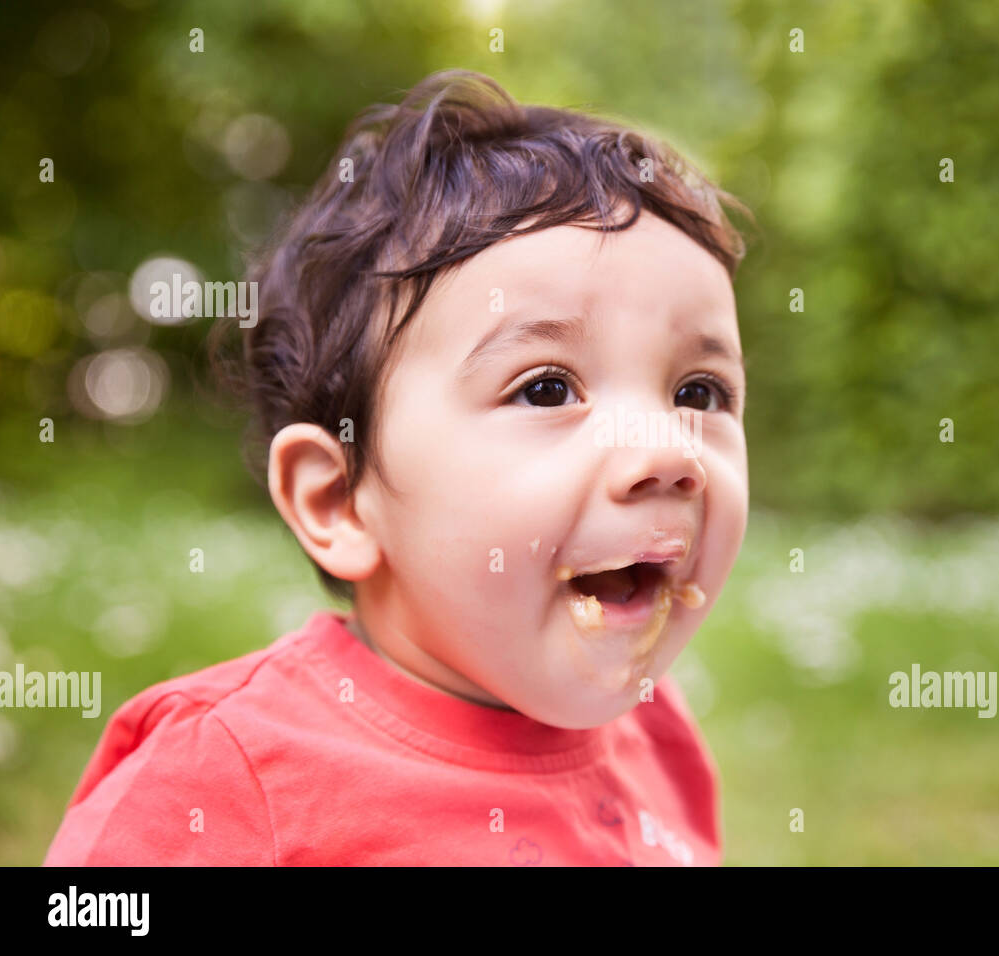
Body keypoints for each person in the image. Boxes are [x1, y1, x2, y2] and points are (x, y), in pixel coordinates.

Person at [44, 69, 754, 866]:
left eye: (701, 391)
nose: (670, 452)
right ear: (339, 499)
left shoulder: (656, 736)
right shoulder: (224, 783)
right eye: (547, 388)